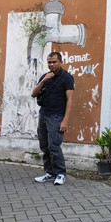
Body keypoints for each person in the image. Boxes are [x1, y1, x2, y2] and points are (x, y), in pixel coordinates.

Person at [31, 52, 74, 186]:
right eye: (49, 62)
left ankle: (61, 173)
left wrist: (65, 120)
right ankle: (49, 173)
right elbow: (33, 93)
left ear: (60, 62)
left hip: (56, 116)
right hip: (44, 114)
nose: (52, 64)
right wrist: (44, 80)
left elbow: (70, 100)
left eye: (54, 62)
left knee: (54, 146)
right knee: (44, 146)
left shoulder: (67, 77)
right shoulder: (45, 76)